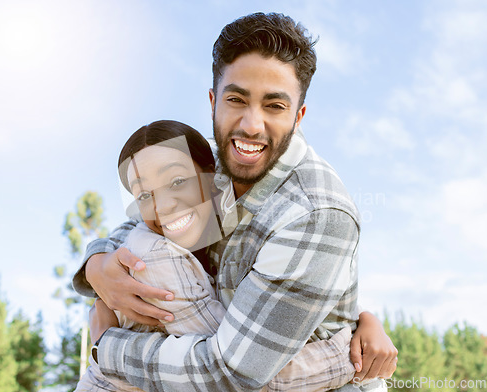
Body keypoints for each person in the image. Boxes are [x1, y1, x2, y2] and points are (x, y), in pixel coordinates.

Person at [73, 12, 398, 391]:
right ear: (213, 102)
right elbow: (150, 214)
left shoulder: (316, 213)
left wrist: (107, 349)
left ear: (298, 117)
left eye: (274, 106)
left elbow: (232, 375)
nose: (251, 125)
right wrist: (97, 264)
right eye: (236, 99)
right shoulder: (210, 160)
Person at [75, 120, 361, 392]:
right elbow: (236, 375)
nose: (162, 206)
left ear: (215, 178)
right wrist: (345, 357)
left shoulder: (244, 222)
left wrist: (361, 319)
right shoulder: (157, 259)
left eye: (176, 181)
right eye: (144, 196)